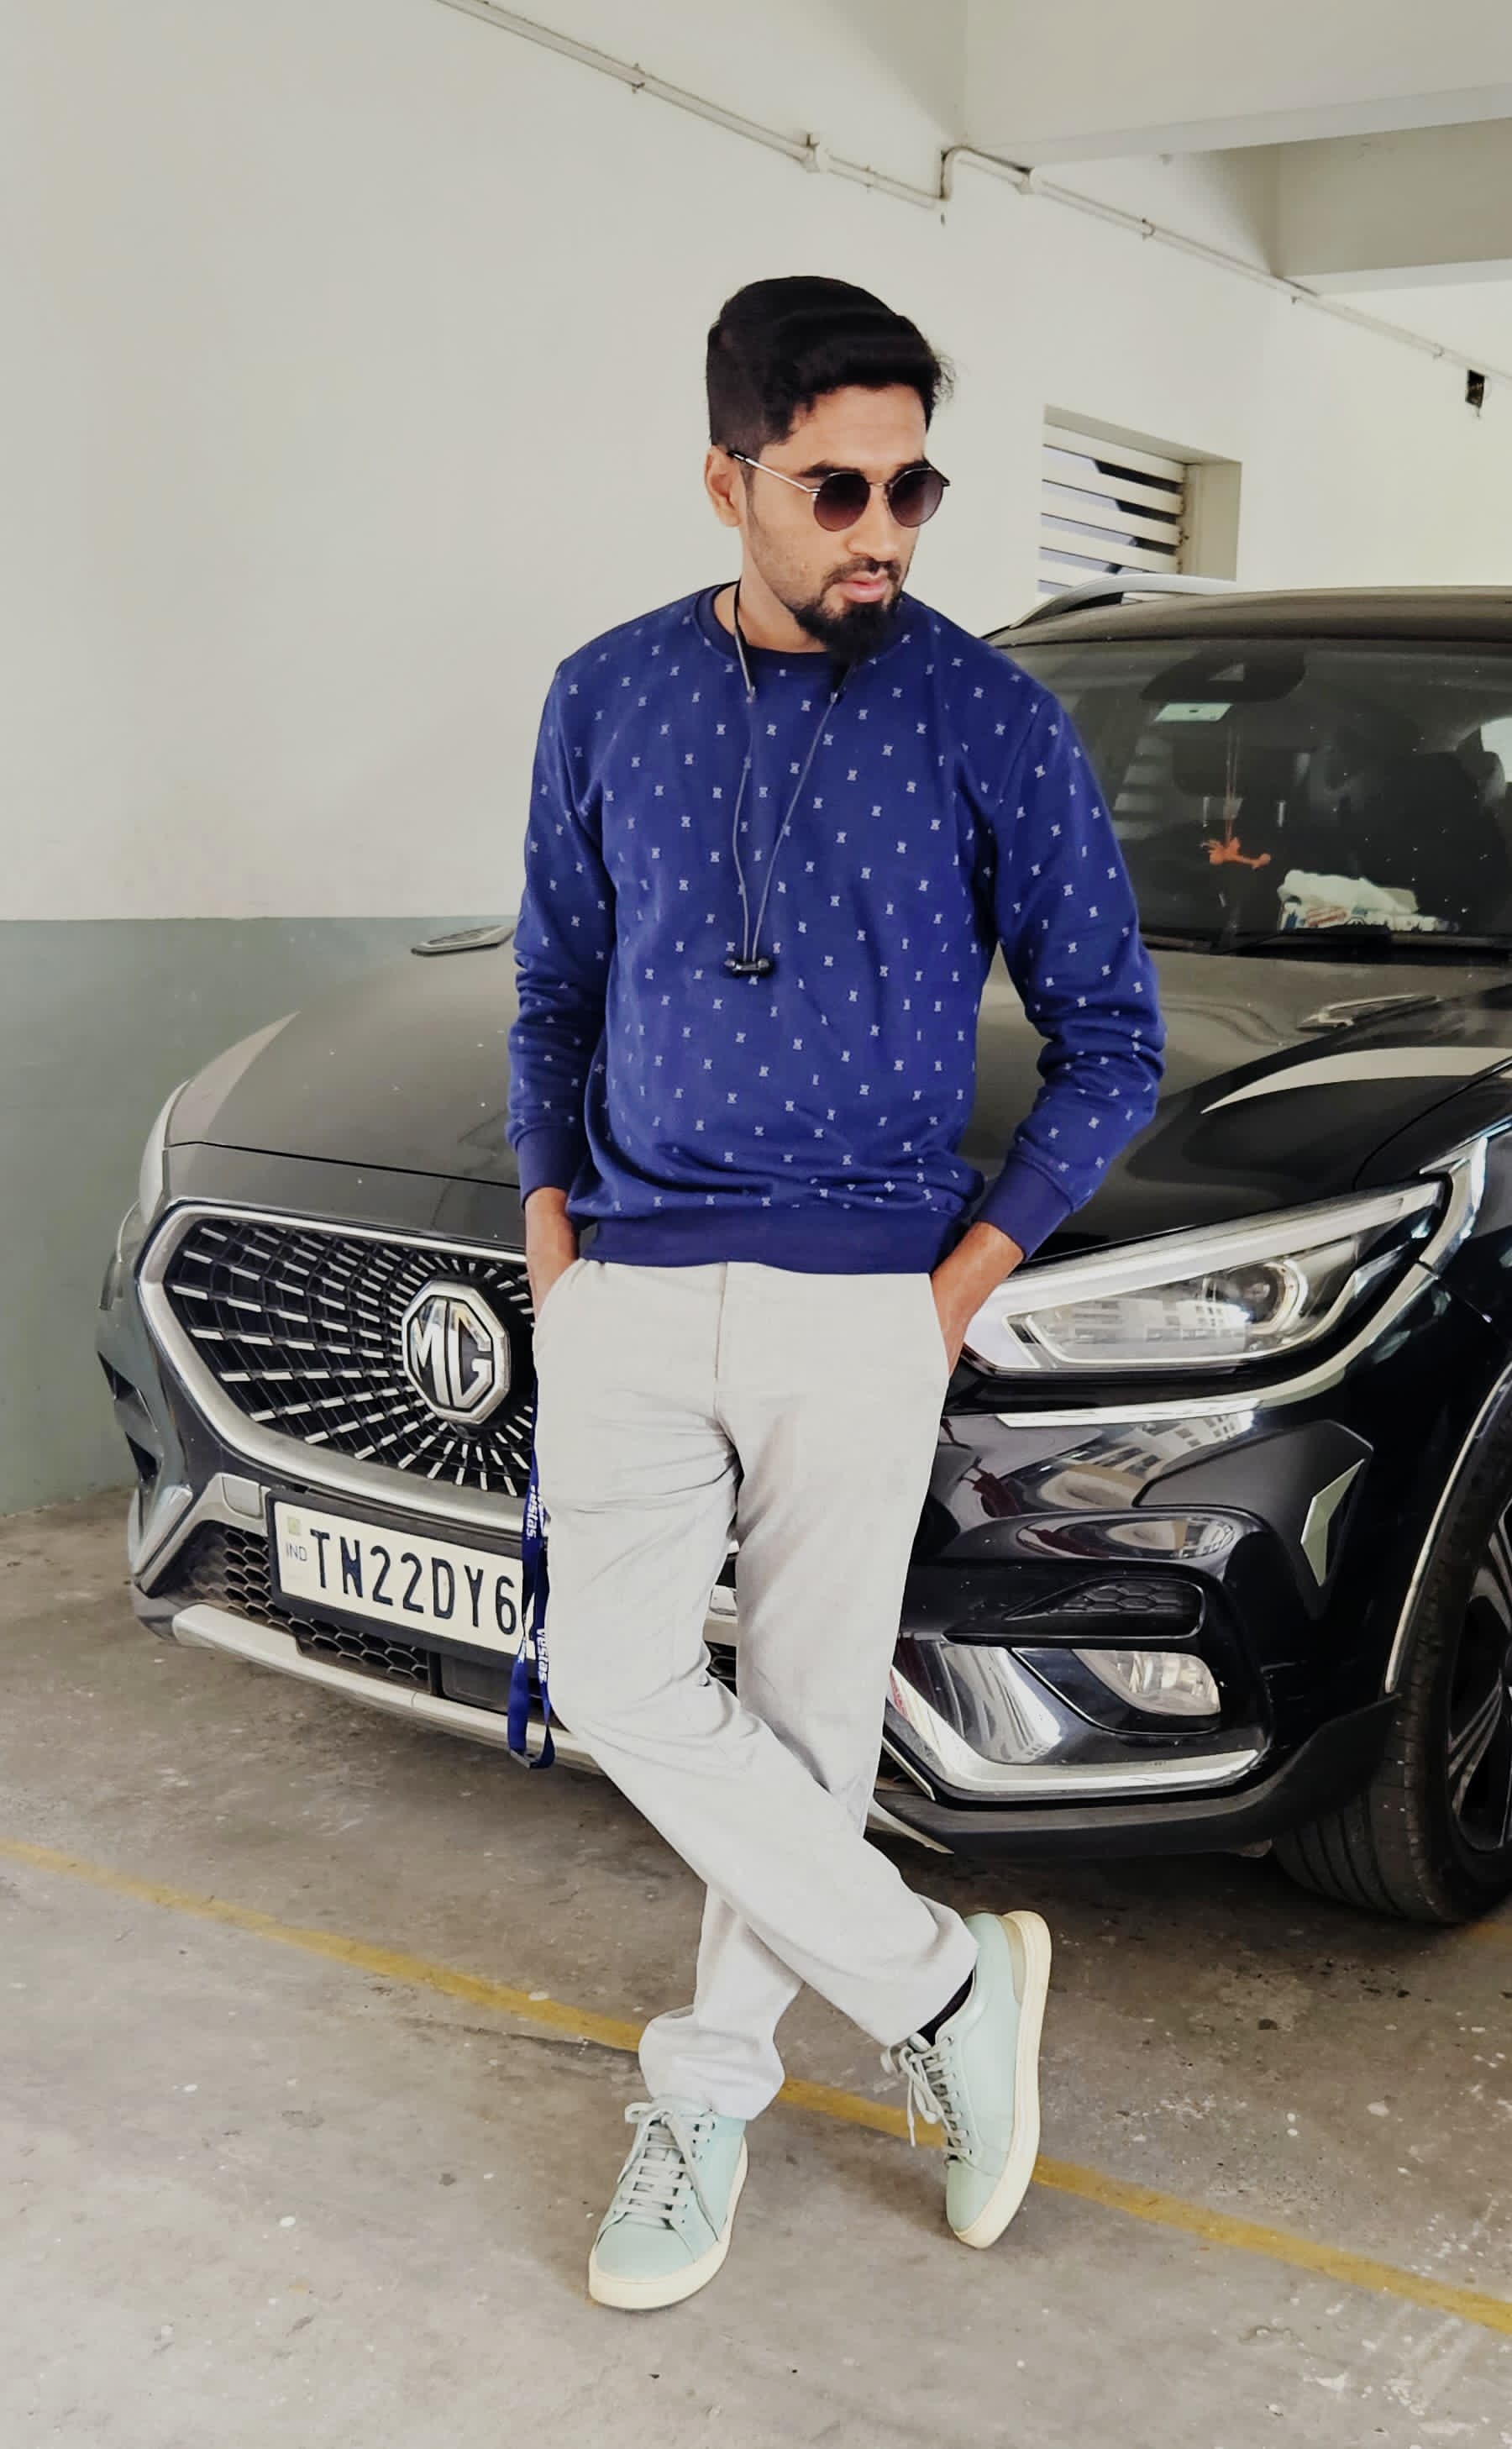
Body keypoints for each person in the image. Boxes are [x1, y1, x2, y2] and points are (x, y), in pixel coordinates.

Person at [506, 275, 1164, 2312]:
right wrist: (552, 1236)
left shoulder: (989, 716)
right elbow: (553, 988)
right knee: (619, 1680)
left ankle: (706, 2098)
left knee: (798, 1734)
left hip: (865, 1297)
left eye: (914, 486)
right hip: (628, 1280)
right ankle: (947, 1986)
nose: (886, 529)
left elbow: (1113, 1039)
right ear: (729, 479)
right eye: (838, 488)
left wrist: (951, 1288)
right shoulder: (606, 694)